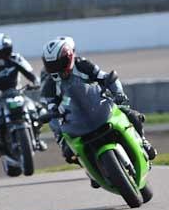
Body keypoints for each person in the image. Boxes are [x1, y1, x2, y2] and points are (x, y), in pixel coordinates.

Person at [40, 36, 157, 178]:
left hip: (99, 105)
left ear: (70, 57)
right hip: (75, 118)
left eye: (60, 63)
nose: (57, 68)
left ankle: (143, 141)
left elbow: (106, 77)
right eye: (52, 65)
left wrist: (118, 95)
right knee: (68, 151)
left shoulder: (83, 65)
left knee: (131, 114)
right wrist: (58, 130)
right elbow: (51, 109)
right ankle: (90, 169)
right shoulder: (49, 84)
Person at [0, 33, 44, 155]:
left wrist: (36, 82)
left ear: (10, 50)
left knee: (39, 111)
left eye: (4, 51)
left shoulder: (16, 58)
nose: (1, 55)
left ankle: (37, 138)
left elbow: (30, 73)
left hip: (18, 92)